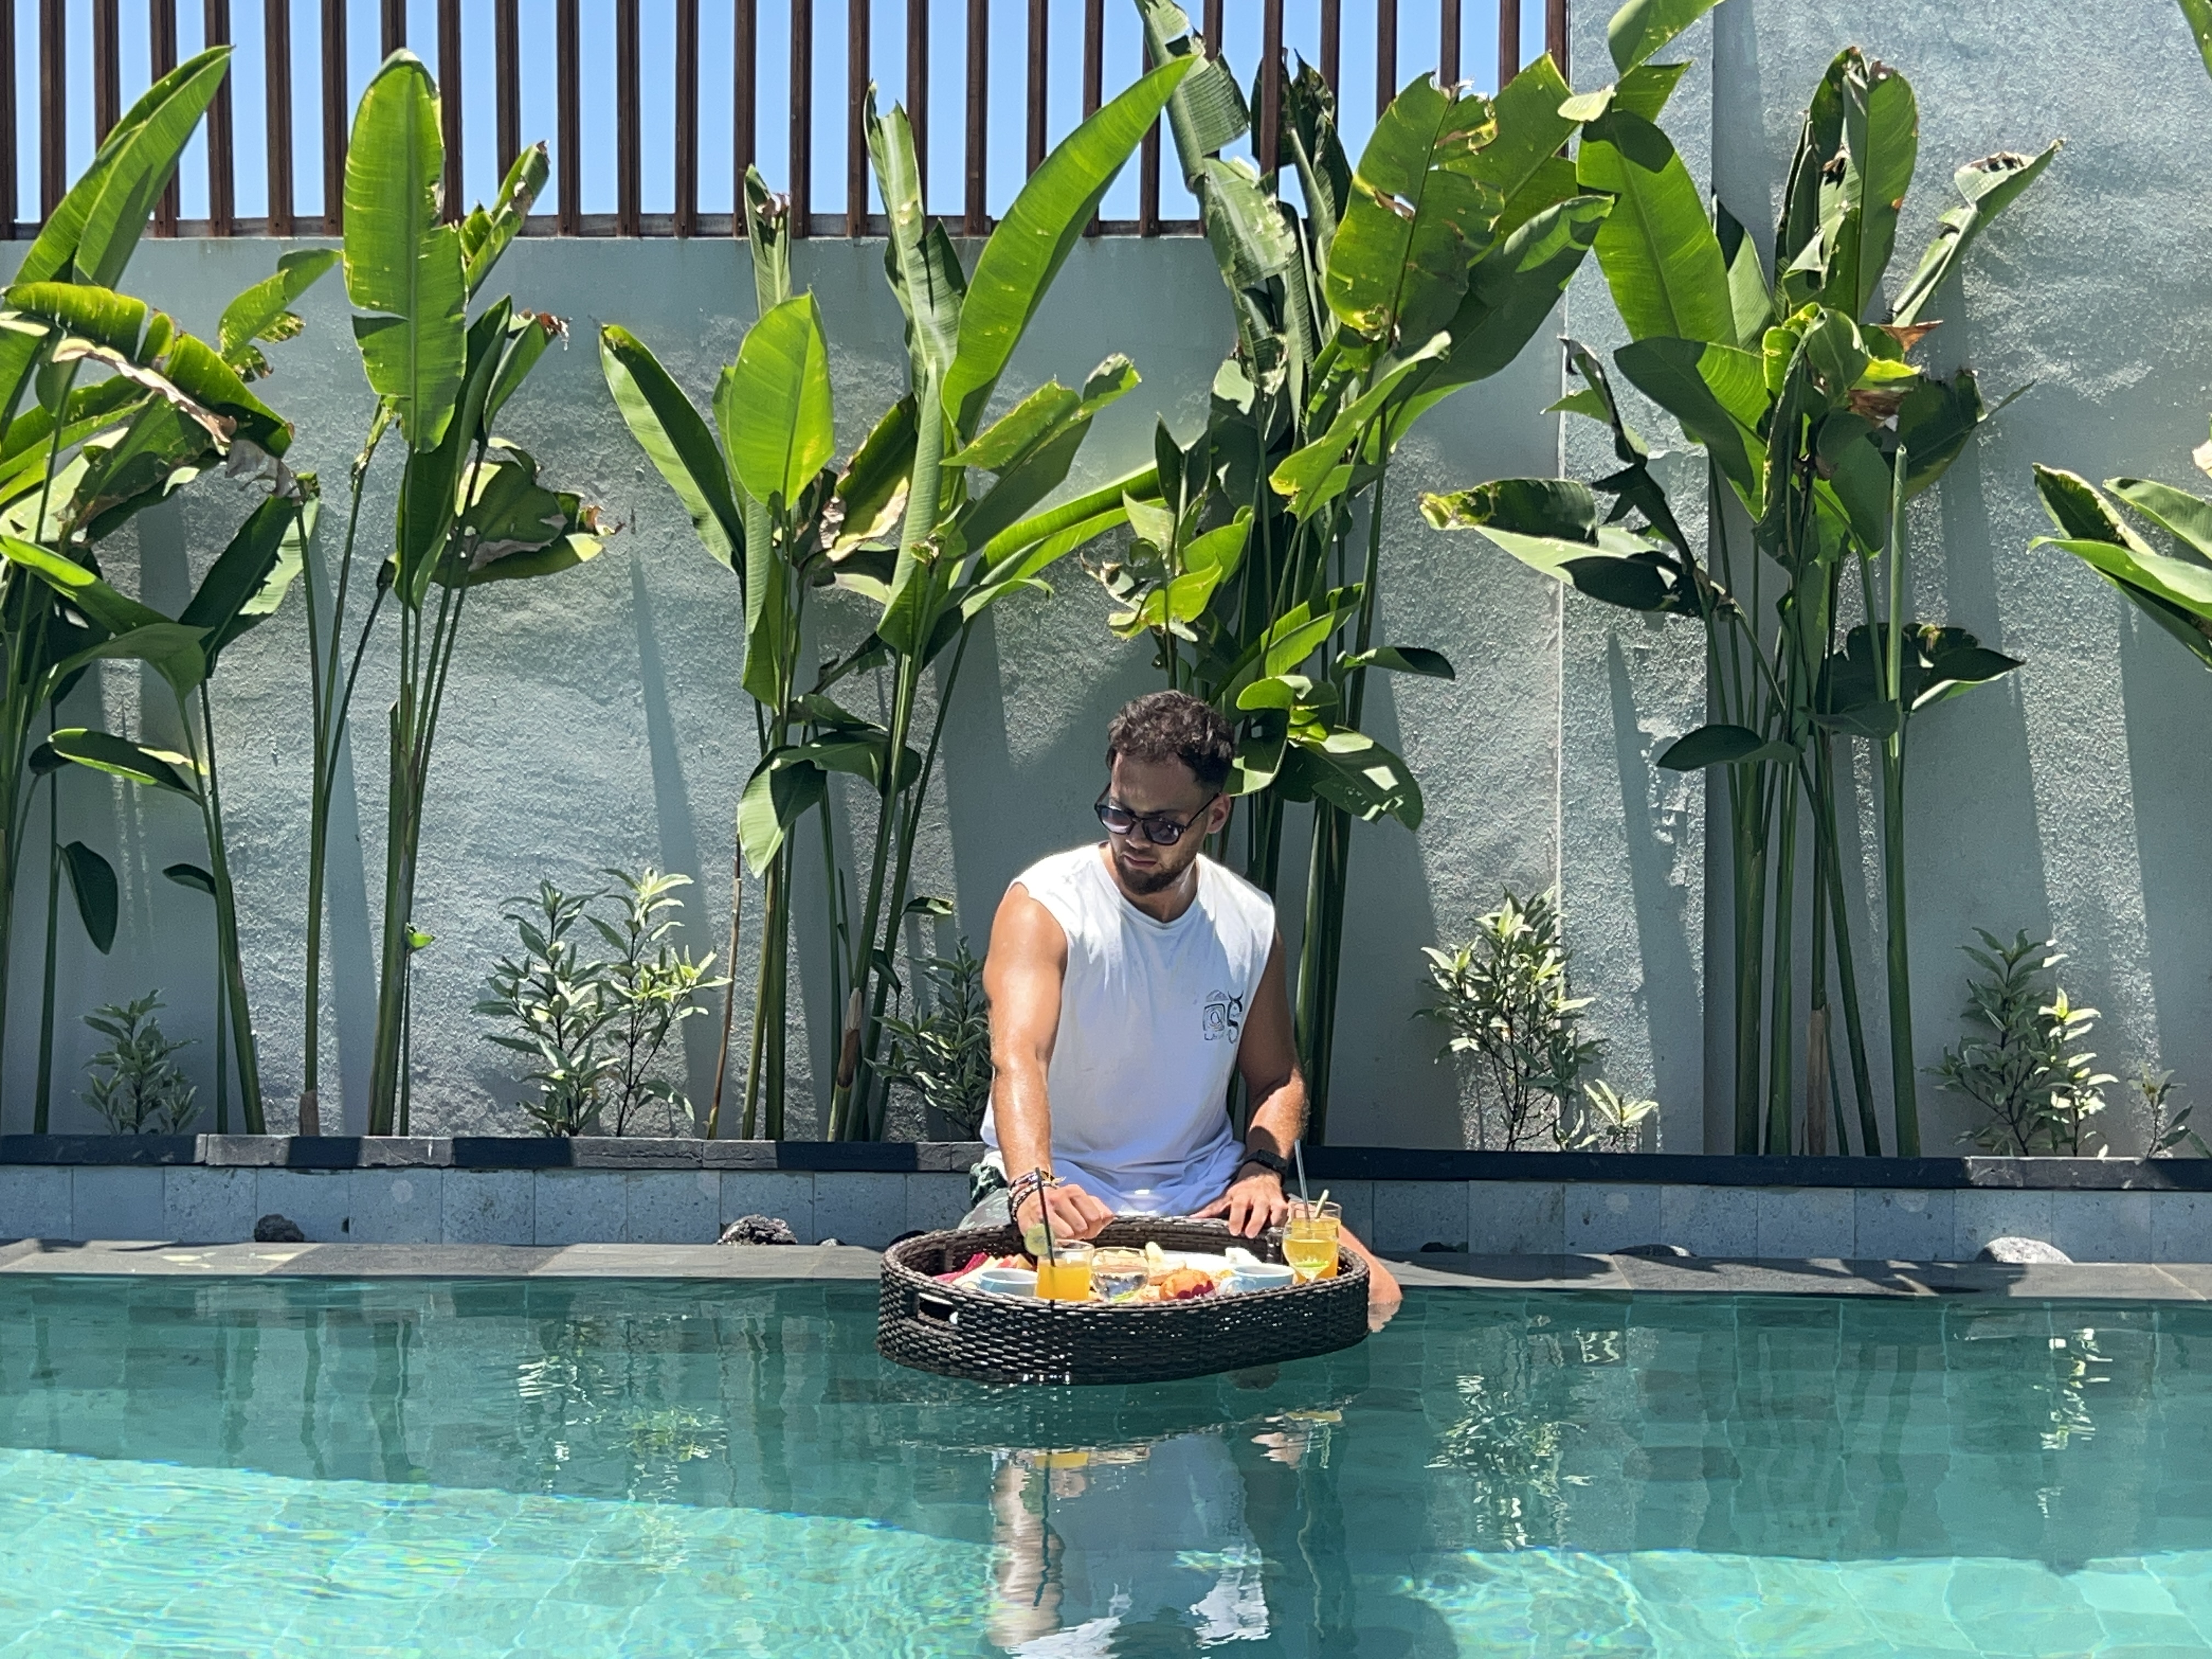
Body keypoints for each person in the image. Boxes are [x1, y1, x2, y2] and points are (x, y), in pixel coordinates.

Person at [969, 689, 1399, 1315]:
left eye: (1163, 825)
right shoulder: (1045, 906)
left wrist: (1260, 1169)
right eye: (1118, 814)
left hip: (1206, 1185)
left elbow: (1278, 1078)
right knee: (1036, 1319)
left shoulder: (1249, 922)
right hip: (1065, 1182)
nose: (1134, 840)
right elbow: (1018, 1061)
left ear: (1216, 815)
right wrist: (1035, 1185)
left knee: (1375, 1296)